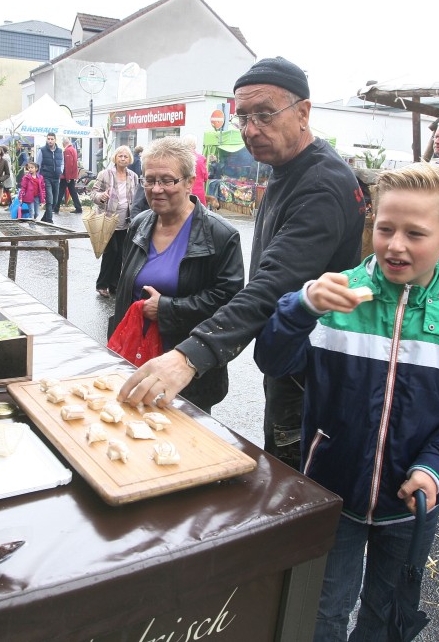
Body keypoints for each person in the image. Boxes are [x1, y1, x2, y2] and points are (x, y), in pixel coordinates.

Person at [255, 162, 439, 640]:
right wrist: (302, 306)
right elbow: (273, 360)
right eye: (386, 228)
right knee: (321, 612)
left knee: (387, 614)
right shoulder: (338, 296)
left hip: (412, 503)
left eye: (416, 233)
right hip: (333, 491)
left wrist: (436, 466)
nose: (395, 245)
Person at [118, 57, 366, 470]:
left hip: (314, 371)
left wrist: (190, 356)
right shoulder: (287, 166)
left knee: (297, 480)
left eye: (265, 114)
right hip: (288, 356)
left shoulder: (321, 185)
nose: (251, 129)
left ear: (303, 112)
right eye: (243, 117)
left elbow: (273, 284)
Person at [109, 138, 244, 412]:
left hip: (186, 371)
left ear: (189, 182)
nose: (156, 189)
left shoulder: (220, 235)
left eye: (167, 180)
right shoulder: (139, 225)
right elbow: (125, 292)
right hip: (134, 358)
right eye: (149, 180)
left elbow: (229, 303)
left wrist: (167, 308)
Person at [90, 145, 139, 298]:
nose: (123, 158)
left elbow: (136, 197)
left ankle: (114, 285)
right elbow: (93, 193)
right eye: (120, 156)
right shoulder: (105, 174)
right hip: (108, 219)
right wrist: (101, 196)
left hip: (125, 220)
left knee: (121, 254)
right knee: (112, 251)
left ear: (129, 159)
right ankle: (102, 285)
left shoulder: (133, 176)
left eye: (125, 156)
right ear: (115, 158)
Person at [36, 132, 63, 223]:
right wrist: (38, 177)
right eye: (48, 139)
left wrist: (61, 170)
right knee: (49, 199)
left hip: (56, 177)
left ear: (55, 140)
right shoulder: (42, 150)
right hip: (46, 177)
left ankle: (44, 218)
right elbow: (38, 164)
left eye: (52, 139)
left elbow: (62, 162)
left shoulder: (59, 151)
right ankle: (49, 220)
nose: (50, 141)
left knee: (55, 201)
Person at [183, 135, 208, 206]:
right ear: (195, 145)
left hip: (184, 192)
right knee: (199, 211)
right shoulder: (201, 158)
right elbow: (205, 177)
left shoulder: (180, 159)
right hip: (198, 193)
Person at [58, 137, 82, 213]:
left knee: (61, 191)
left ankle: (56, 207)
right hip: (71, 175)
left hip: (66, 176)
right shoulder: (73, 149)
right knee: (72, 191)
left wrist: (67, 177)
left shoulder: (67, 150)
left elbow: (68, 164)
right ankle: (78, 208)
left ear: (64, 143)